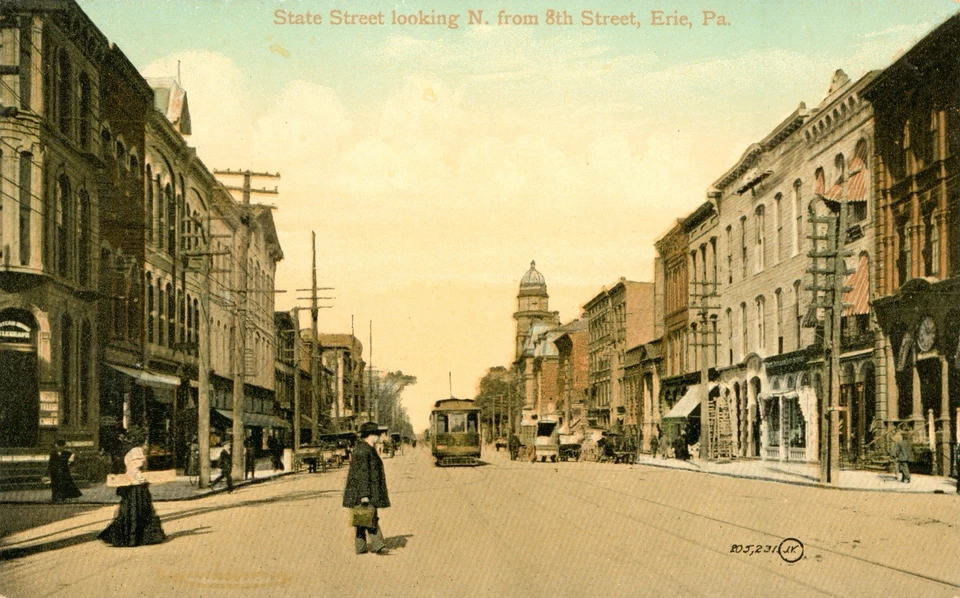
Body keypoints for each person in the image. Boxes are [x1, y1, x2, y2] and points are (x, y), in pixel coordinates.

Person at [99, 427, 166, 547]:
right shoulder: (137, 451)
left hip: (129, 484)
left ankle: (129, 537)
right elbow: (139, 466)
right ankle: (140, 537)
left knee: (128, 510)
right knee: (141, 510)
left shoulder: (128, 450)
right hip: (137, 484)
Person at [343, 422, 391, 555]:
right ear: (370, 435)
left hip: (363, 490)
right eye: (376, 434)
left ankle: (361, 547)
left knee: (362, 517)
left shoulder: (365, 448)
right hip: (364, 491)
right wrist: (364, 494)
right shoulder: (364, 451)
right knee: (370, 517)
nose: (378, 437)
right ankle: (379, 546)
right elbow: (362, 474)